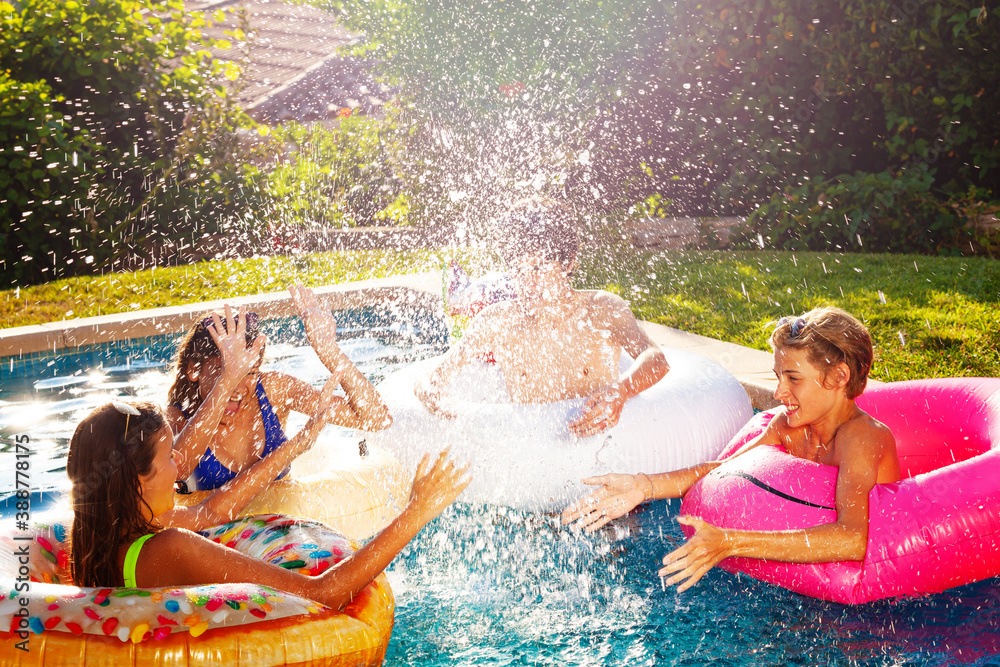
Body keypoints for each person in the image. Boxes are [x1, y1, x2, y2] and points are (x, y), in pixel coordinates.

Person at [561, 306, 900, 592]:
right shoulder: (787, 427)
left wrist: (731, 542)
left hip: (871, 594)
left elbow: (855, 538)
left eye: (793, 378)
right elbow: (721, 469)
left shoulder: (862, 438)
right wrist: (643, 486)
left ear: (839, 377)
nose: (779, 392)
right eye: (777, 376)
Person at [67, 399, 470, 610]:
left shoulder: (99, 543)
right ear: (136, 480)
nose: (178, 470)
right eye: (169, 457)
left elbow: (211, 514)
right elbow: (323, 593)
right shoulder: (170, 546)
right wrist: (418, 510)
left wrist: (295, 447)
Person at [415, 196, 670, 437]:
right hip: (531, 448)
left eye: (539, 267)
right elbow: (432, 375)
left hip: (595, 443)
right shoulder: (497, 321)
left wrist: (621, 390)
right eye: (518, 270)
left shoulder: (600, 310)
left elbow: (656, 358)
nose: (529, 282)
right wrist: (428, 390)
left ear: (568, 263)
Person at [167, 286, 391, 489]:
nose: (236, 386)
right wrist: (227, 379)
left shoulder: (272, 391)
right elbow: (179, 469)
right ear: (193, 369)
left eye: (248, 372)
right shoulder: (177, 418)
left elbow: (377, 419)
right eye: (224, 370)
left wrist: (330, 351)